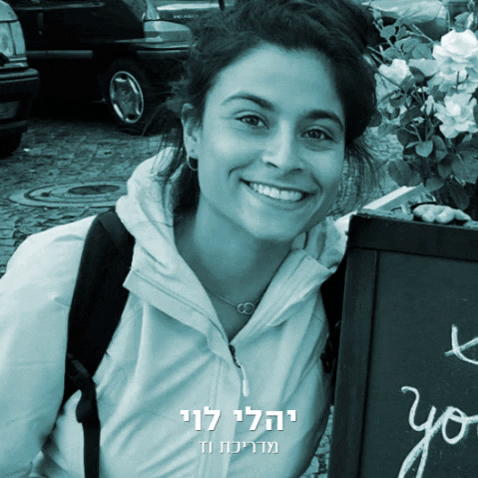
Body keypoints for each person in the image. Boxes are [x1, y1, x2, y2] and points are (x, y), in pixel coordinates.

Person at [0, 0, 471, 477]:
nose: (284, 157)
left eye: (317, 133)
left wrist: (441, 265)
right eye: (251, 119)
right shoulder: (65, 279)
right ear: (193, 131)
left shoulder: (349, 286)